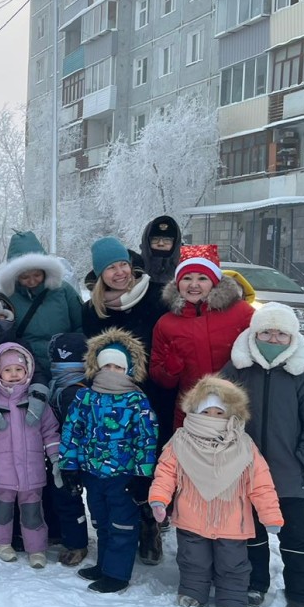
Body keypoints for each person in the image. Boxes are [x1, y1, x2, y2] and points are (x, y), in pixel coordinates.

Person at [221, 303, 304, 607]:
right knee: (250, 532)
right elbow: (215, 411)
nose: (273, 337)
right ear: (254, 333)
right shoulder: (236, 370)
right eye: (266, 331)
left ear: (292, 336)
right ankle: (255, 583)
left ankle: (300, 594)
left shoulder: (303, 377)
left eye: (280, 332)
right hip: (244, 472)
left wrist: (303, 460)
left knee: (296, 535)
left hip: (288, 475)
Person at [148, 376, 283, 607]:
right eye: (205, 411)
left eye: (218, 412)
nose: (211, 416)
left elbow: (261, 482)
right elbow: (166, 472)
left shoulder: (244, 445)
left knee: (233, 565)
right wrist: (159, 499)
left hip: (232, 521)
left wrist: (270, 514)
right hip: (192, 517)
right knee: (193, 560)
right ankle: (192, 593)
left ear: (230, 414)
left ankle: (232, 602)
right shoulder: (180, 440)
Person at [81, 235, 174, 567]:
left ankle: (151, 527)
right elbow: (89, 356)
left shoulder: (157, 297)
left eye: (122, 264)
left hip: (154, 394)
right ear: (99, 274)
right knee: (119, 464)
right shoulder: (93, 310)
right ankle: (120, 530)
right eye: (110, 268)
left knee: (149, 461)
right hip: (113, 400)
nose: (119, 273)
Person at [58, 328, 159, 594]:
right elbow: (72, 431)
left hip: (123, 476)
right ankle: (104, 565)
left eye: (118, 366)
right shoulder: (86, 397)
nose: (111, 370)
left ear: (128, 370)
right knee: (101, 521)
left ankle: (117, 573)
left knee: (122, 523)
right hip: (92, 472)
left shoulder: (137, 401)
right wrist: (69, 466)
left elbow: (146, 439)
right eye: (106, 365)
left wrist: (142, 475)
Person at [0, 343, 61, 568]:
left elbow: (50, 433)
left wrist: (56, 460)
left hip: (31, 470)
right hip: (1, 471)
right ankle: (1, 542)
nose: (14, 374)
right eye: (8, 370)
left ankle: (36, 549)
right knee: (0, 511)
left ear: (28, 371)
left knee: (33, 512)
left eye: (19, 369)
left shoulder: (37, 402)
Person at [150, 245, 255, 430]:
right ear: (177, 284)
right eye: (187, 278)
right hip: (191, 414)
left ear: (214, 282)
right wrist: (170, 369)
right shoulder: (166, 324)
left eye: (202, 278)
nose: (194, 285)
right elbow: (159, 377)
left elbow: (281, 341)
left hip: (232, 413)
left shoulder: (241, 312)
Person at [0, 230, 82, 374]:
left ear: (45, 271)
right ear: (16, 276)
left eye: (37, 275)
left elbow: (80, 325)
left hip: (64, 361)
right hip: (26, 367)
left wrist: (73, 350)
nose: (32, 281)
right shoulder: (8, 298)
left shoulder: (63, 291)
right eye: (25, 277)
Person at [45, 332, 92, 566]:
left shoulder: (71, 391)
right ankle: (59, 533)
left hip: (71, 456)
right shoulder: (60, 387)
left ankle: (76, 543)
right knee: (58, 494)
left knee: (68, 497)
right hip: (60, 453)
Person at [139, 215, 182, 286]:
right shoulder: (136, 269)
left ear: (175, 243)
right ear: (147, 241)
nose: (161, 243)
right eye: (155, 239)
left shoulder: (184, 270)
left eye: (167, 240)